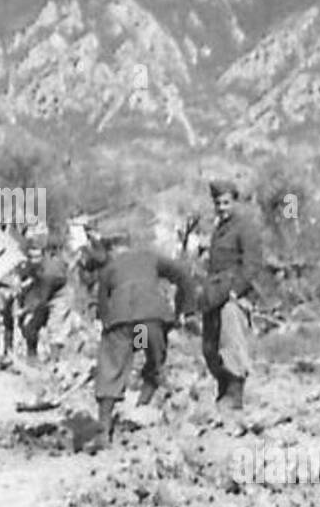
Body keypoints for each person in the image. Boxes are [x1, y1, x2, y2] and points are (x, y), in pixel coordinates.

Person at [89, 235, 193, 452]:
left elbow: (102, 306)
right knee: (153, 362)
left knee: (111, 369)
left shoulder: (108, 269)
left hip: (122, 320)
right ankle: (142, 403)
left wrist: (108, 329)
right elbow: (183, 274)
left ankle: (104, 428)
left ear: (113, 249)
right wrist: (184, 310)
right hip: (148, 319)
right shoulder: (150, 257)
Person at [199, 180, 263, 411]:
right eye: (218, 203)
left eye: (226, 202)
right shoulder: (219, 230)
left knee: (231, 341)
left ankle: (234, 393)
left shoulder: (245, 227)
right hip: (215, 293)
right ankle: (222, 390)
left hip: (233, 295)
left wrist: (236, 291)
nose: (222, 207)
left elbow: (252, 264)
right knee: (210, 345)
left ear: (235, 202)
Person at [17, 237, 69, 361]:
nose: (34, 260)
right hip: (40, 289)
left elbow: (40, 299)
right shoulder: (28, 264)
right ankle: (32, 357)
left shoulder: (49, 271)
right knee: (30, 326)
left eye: (37, 257)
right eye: (31, 257)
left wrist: (24, 310)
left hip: (59, 294)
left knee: (55, 327)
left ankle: (54, 361)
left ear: (44, 254)